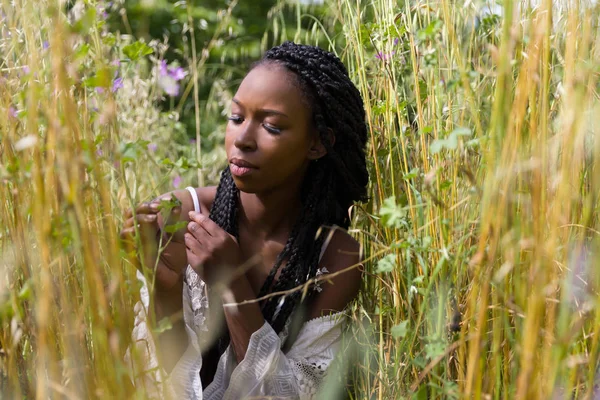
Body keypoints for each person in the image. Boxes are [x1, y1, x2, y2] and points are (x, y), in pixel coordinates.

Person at [120, 41, 369, 399]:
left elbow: (292, 396)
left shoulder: (335, 257)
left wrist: (233, 284)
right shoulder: (181, 216)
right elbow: (150, 381)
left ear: (318, 143)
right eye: (236, 118)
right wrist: (165, 288)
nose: (242, 139)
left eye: (271, 127)